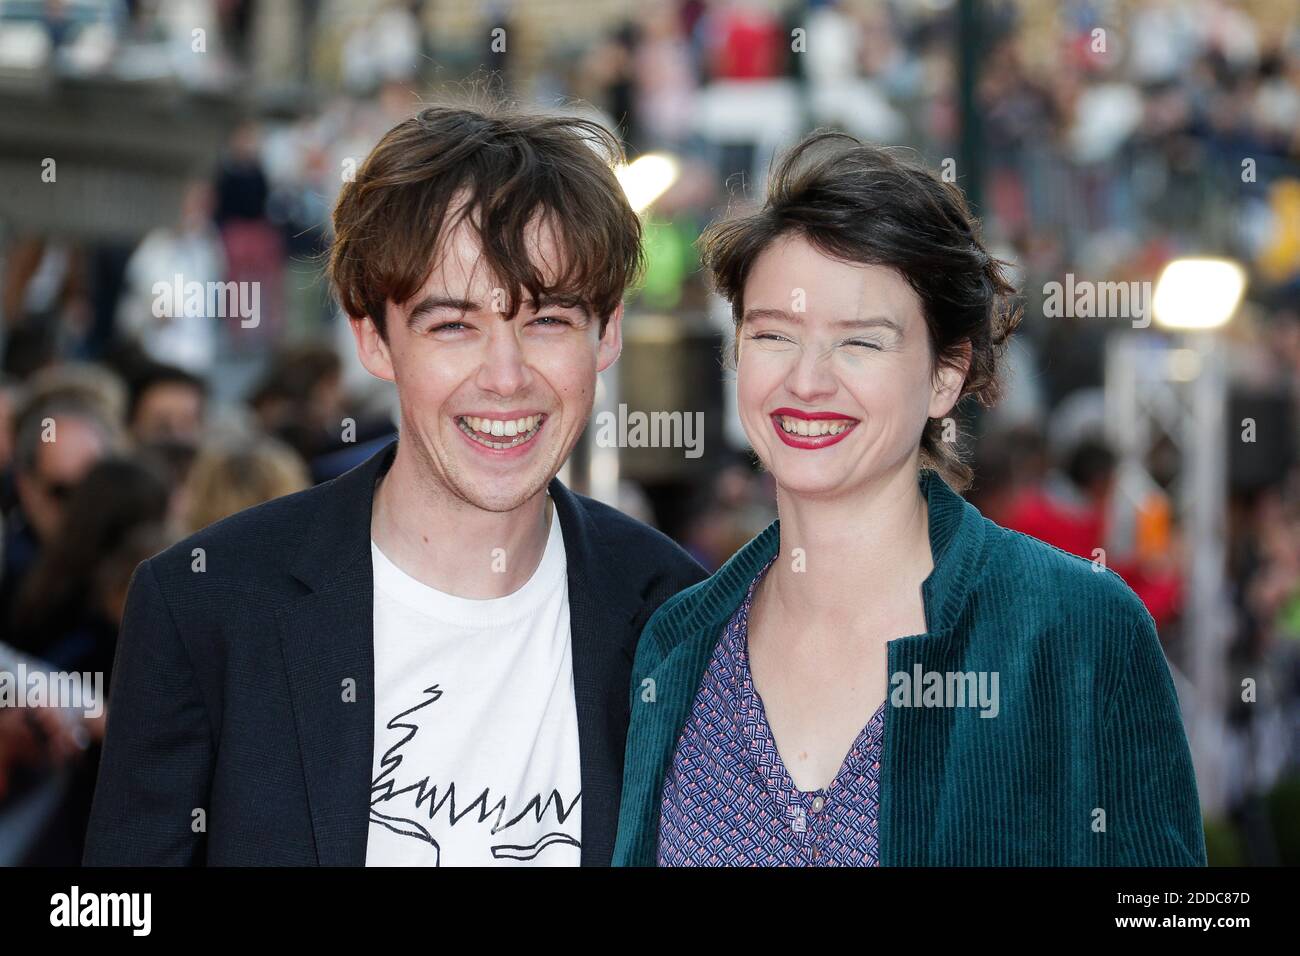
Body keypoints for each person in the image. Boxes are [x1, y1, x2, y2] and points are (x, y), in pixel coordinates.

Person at [84, 104, 707, 867]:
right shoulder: (206, 610)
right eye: (453, 325)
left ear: (606, 333)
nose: (506, 379)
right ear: (373, 338)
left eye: (546, 320)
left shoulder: (676, 621)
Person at [613, 131, 1206, 866]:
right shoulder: (676, 646)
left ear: (945, 377)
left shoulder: (1076, 634)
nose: (807, 380)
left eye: (860, 342)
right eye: (774, 335)